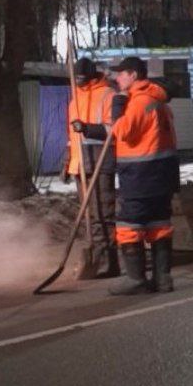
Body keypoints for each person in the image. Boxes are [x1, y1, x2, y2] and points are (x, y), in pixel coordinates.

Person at [72, 56, 179, 295]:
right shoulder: (157, 100)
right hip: (161, 174)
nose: (117, 78)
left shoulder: (139, 102)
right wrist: (88, 128)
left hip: (142, 175)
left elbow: (123, 131)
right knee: (159, 225)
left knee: (128, 225)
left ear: (133, 75)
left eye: (121, 74)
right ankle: (163, 279)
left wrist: (118, 105)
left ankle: (136, 279)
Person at [62, 57, 120, 280]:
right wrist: (67, 161)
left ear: (91, 76)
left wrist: (87, 128)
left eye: (82, 78)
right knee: (89, 215)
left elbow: (113, 129)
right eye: (76, 78)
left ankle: (108, 261)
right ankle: (95, 257)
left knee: (102, 213)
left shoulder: (108, 95)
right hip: (80, 164)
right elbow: (72, 136)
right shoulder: (74, 99)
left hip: (100, 161)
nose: (78, 81)